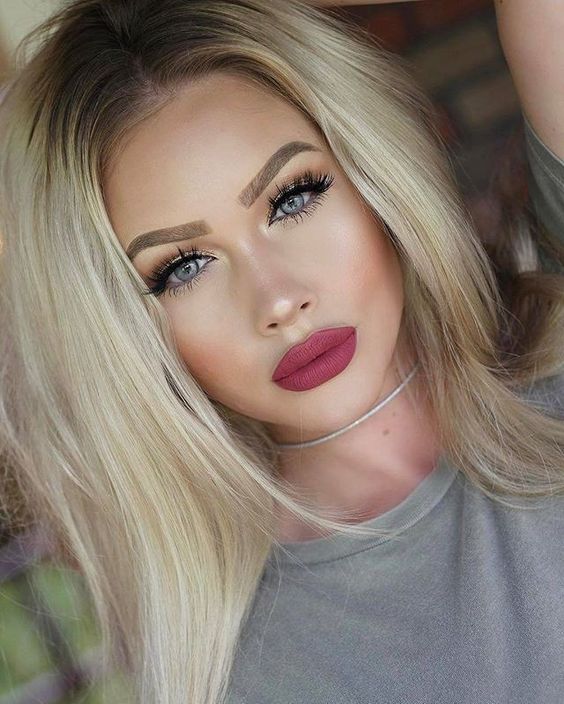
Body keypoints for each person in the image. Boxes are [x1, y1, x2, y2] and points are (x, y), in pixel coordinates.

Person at [0, 0, 562, 702]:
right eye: (184, 268)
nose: (277, 300)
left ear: (371, 170)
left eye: (292, 198)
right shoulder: (251, 668)